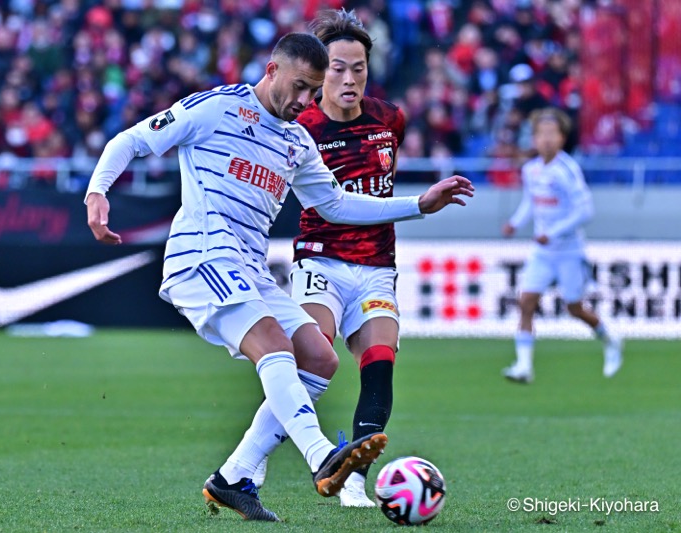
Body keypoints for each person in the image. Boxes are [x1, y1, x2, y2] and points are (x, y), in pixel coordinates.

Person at [86, 32, 474, 521]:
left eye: (312, 92)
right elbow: (135, 139)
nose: (303, 102)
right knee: (273, 344)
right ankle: (320, 457)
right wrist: (97, 192)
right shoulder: (217, 108)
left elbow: (334, 204)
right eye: (298, 87)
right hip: (202, 257)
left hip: (249, 266)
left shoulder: (296, 140)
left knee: (319, 357)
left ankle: (233, 477)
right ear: (272, 71)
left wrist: (418, 205)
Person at [246, 8, 430, 508]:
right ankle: (253, 453)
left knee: (380, 363)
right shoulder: (298, 126)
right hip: (319, 262)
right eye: (337, 69)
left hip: (377, 269)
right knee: (310, 356)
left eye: (359, 69)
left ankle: (353, 479)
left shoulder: (390, 119)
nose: (349, 78)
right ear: (319, 71)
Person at [501, 108, 622, 384]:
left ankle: (610, 340)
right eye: (540, 134)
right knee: (526, 301)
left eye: (551, 134)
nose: (545, 139)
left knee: (574, 308)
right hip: (543, 252)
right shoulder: (531, 170)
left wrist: (553, 232)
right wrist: (515, 223)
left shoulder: (567, 170)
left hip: (569, 251)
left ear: (562, 138)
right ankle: (524, 366)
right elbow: (530, 202)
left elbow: (586, 211)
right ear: (533, 138)